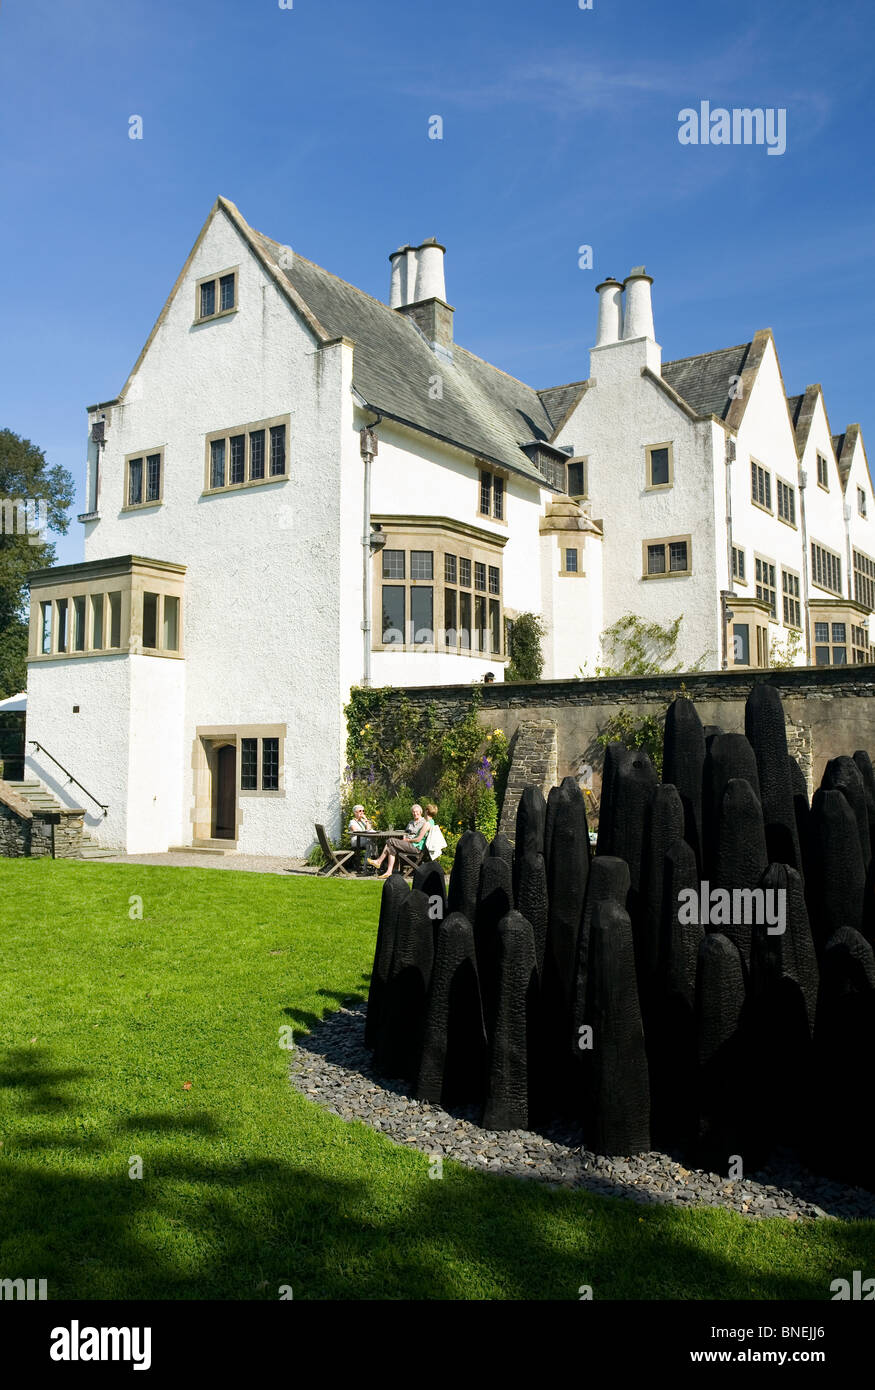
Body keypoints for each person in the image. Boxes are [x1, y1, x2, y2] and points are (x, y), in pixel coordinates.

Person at [368, 803, 429, 879]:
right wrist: (404, 836)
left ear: (421, 812)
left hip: (415, 846)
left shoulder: (424, 822)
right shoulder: (411, 822)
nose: (415, 813)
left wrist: (407, 840)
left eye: (416, 811)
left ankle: (379, 861)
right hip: (407, 843)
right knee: (391, 847)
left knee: (390, 840)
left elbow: (419, 838)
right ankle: (389, 872)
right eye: (413, 812)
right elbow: (406, 832)